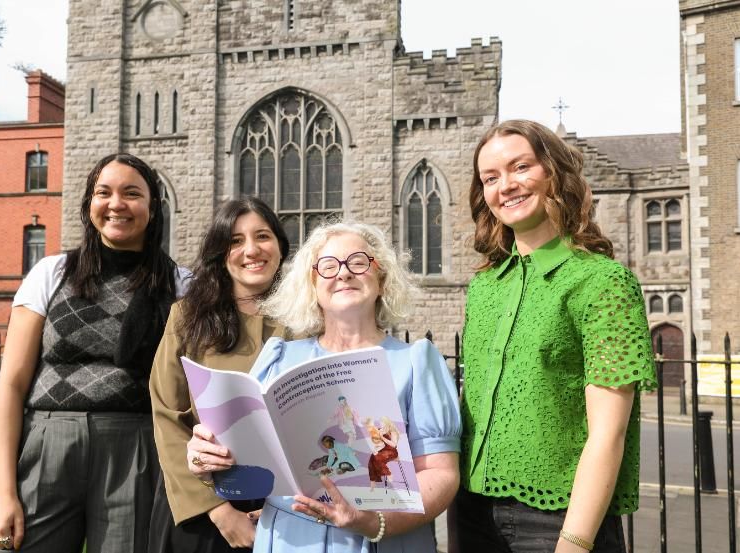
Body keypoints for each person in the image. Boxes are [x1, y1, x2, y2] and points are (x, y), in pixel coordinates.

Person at [187, 221, 462, 553]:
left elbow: (441, 475)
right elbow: (246, 471)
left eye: (358, 262)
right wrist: (206, 462)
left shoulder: (417, 362)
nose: (343, 274)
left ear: (382, 278)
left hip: (385, 541)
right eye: (328, 267)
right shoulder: (279, 359)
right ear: (312, 286)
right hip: (289, 539)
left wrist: (374, 522)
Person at [454, 120, 657, 553]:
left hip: (558, 522)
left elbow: (608, 433)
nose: (505, 185)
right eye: (490, 178)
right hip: (470, 511)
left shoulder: (603, 282)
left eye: (520, 167)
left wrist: (574, 542)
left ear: (553, 171)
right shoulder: (485, 287)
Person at [0, 153, 191, 552]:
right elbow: (10, 385)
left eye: (132, 193)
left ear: (153, 207)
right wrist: (3, 492)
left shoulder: (180, 284)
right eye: (103, 192)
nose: (116, 204)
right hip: (47, 443)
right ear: (89, 204)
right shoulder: (51, 273)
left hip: (137, 448)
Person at [148, 197, 290, 553]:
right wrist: (219, 511)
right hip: (204, 510)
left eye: (262, 236)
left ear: (280, 246)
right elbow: (167, 418)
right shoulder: (187, 318)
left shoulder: (309, 321)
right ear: (219, 252)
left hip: (290, 510)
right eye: (236, 241)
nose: (251, 250)